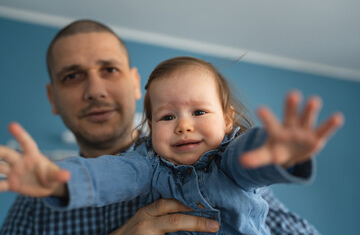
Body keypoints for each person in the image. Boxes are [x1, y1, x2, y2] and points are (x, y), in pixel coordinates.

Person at [0, 19, 333, 235]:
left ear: (134, 84)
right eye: (72, 76)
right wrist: (60, 180)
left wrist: (274, 150)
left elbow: (248, 159)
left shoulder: (228, 159)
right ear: (52, 97)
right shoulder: (36, 203)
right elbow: (108, 176)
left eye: (110, 70)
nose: (95, 90)